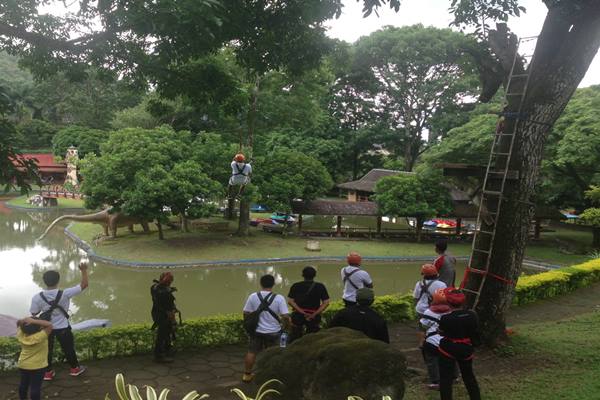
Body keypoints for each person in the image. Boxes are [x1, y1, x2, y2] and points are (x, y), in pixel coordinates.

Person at [30, 262, 88, 381]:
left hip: (46, 328)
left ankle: (48, 373)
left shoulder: (37, 297)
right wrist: (83, 270)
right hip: (63, 328)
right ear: (58, 281)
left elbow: (34, 313)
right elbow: (84, 284)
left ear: (44, 281)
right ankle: (74, 369)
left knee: (47, 350)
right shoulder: (65, 293)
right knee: (68, 348)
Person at [242, 274, 290, 383]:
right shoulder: (279, 298)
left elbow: (246, 312)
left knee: (252, 352)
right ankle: (274, 375)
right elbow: (286, 316)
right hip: (274, 332)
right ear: (273, 284)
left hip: (257, 331)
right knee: (276, 353)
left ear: (260, 283)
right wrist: (287, 327)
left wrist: (249, 325)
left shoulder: (253, 296)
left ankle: (247, 375)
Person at [438, 288, 481, 400]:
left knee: (445, 378)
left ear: (448, 302)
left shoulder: (446, 318)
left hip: (448, 349)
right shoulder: (472, 315)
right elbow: (474, 330)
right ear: (463, 302)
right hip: (466, 348)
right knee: (469, 376)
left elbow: (442, 332)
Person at [419, 289, 452, 391]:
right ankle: (454, 377)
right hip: (448, 341)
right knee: (450, 360)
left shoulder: (428, 312)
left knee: (432, 361)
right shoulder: (451, 311)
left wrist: (421, 341)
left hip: (432, 342)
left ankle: (436, 382)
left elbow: (423, 326)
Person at [287, 266, 330, 342]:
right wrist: (314, 314)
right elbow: (326, 303)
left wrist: (302, 312)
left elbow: (290, 301)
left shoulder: (296, 286)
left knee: (296, 338)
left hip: (298, 315)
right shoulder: (320, 286)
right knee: (313, 339)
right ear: (314, 275)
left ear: (302, 275)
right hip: (314, 316)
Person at [16, 317, 53, 400]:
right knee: (35, 387)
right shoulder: (40, 336)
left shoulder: (21, 334)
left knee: (23, 384)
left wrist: (25, 321)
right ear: (40, 327)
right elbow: (49, 325)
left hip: (23, 364)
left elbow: (18, 323)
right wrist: (33, 321)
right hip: (38, 366)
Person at [150, 272, 179, 363]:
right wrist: (173, 321)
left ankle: (167, 350)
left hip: (160, 314)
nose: (170, 282)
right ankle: (158, 356)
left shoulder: (158, 289)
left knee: (166, 333)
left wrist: (167, 288)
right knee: (162, 334)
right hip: (162, 316)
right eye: (169, 280)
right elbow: (169, 310)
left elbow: (170, 305)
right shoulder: (163, 292)